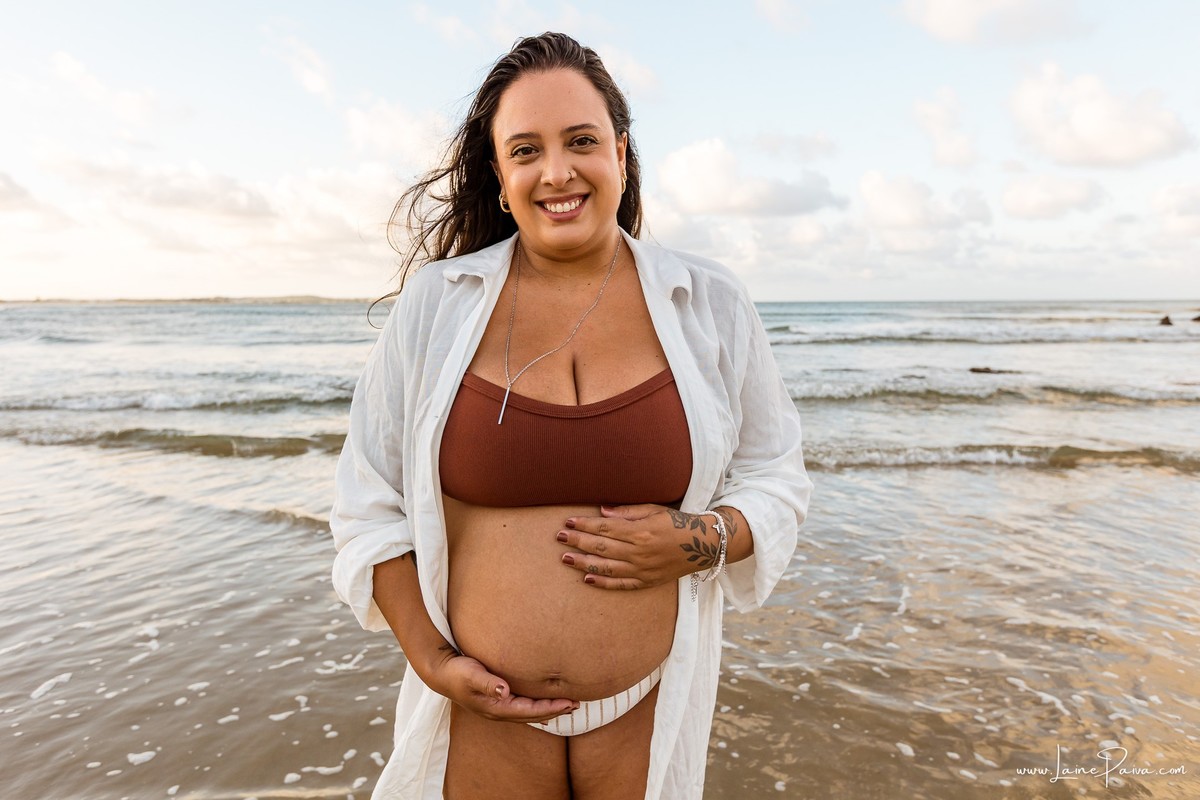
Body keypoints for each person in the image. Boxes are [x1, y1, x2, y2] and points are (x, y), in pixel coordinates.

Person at [330, 32, 813, 800]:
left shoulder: (712, 303)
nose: (557, 171)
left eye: (581, 141)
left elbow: (776, 475)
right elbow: (368, 503)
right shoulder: (437, 306)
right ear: (500, 173)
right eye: (526, 150)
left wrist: (702, 539)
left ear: (620, 153)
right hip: (479, 717)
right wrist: (432, 662)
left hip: (647, 706)